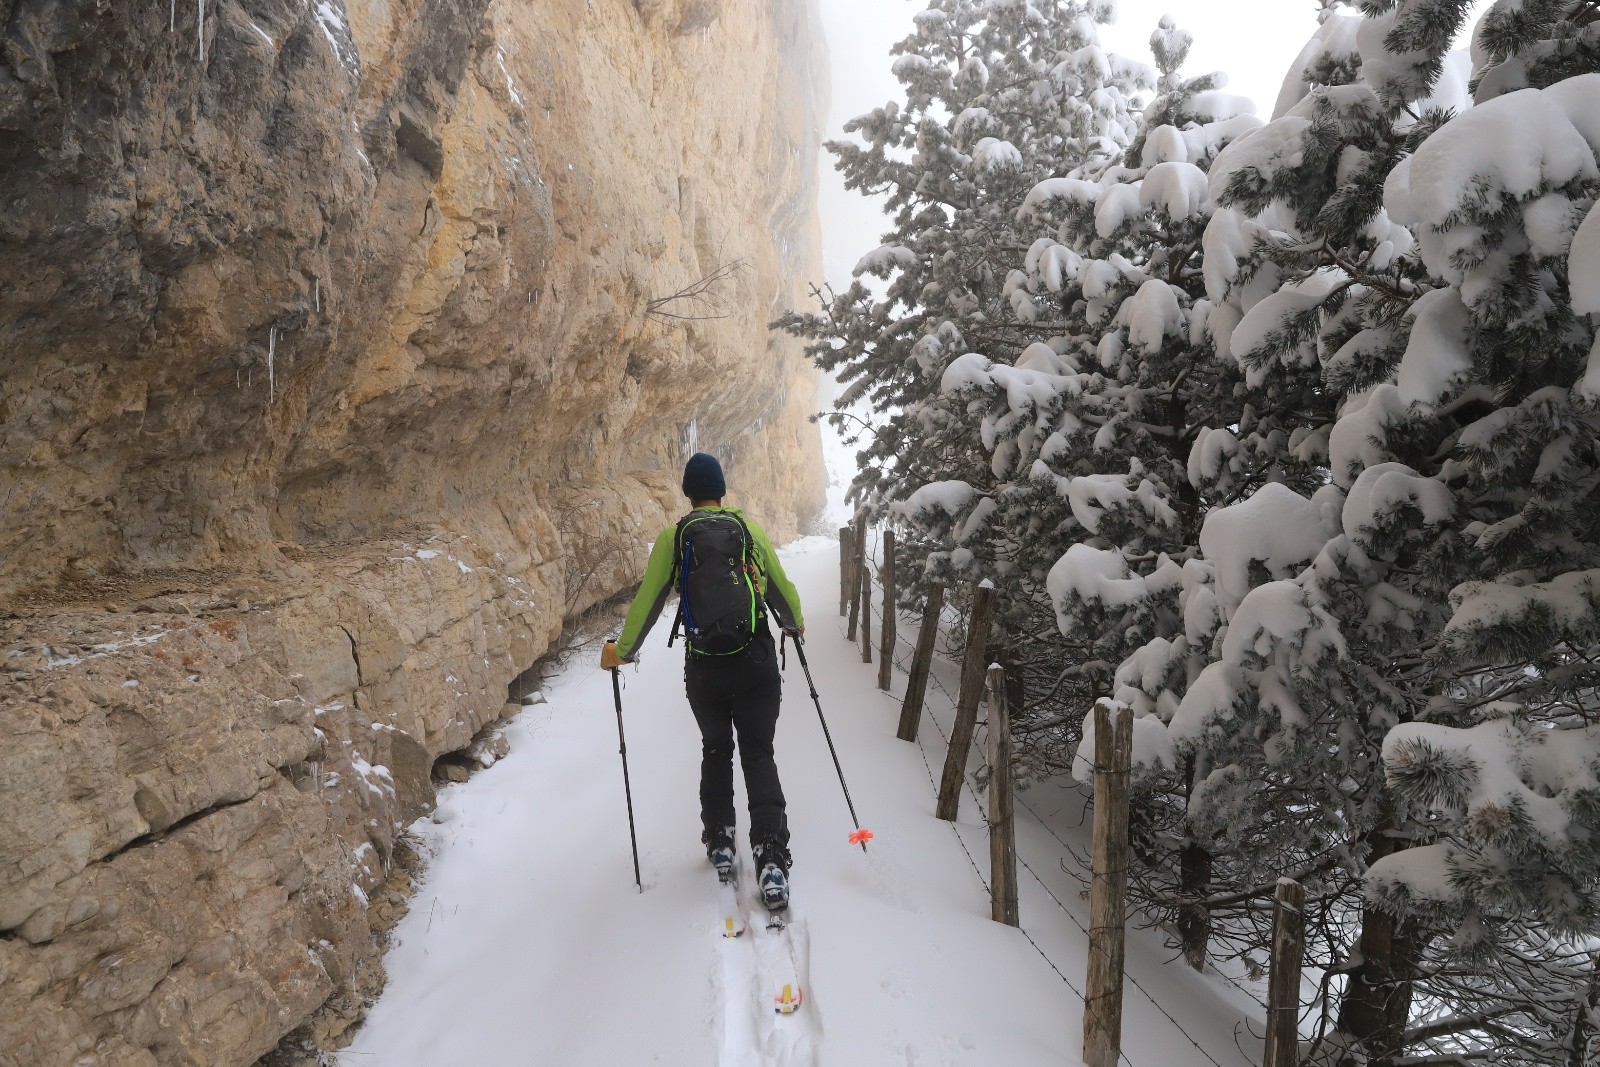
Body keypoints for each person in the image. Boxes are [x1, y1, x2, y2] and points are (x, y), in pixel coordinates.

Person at [601, 453, 804, 910]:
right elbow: (781, 590)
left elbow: (647, 602)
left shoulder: (675, 538)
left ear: (688, 493)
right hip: (755, 664)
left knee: (716, 749)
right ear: (722, 490)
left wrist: (623, 652)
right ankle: (771, 854)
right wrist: (795, 624)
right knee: (758, 753)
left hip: (705, 670)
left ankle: (720, 841)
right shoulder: (748, 531)